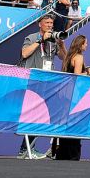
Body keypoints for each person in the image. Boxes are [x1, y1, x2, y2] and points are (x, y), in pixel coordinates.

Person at [17, 15, 63, 159]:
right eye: (47, 23)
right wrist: (40, 40)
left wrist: (61, 45)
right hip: (32, 81)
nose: (50, 25)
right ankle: (25, 149)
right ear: (40, 24)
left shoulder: (53, 40)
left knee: (39, 116)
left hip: (46, 82)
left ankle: (27, 149)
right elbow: (24, 53)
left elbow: (63, 57)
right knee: (30, 115)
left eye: (51, 23)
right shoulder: (32, 37)